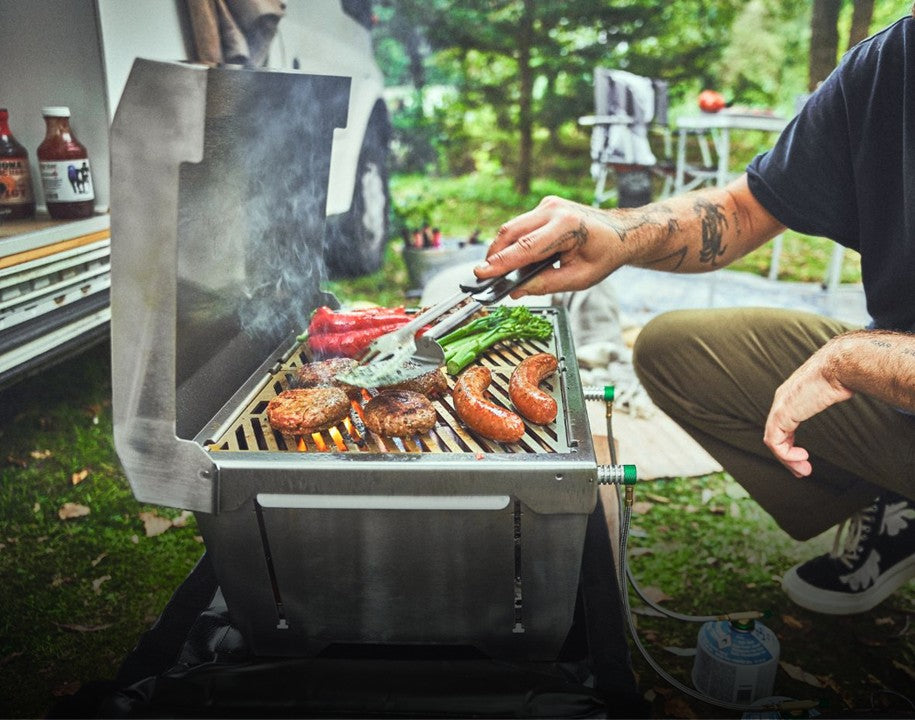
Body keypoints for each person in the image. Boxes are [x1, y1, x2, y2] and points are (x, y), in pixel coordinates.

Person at [474, 10, 915, 616]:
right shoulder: (894, 61)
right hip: (898, 378)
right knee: (673, 351)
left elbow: (862, 359)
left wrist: (856, 359)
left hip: (891, 363)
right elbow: (745, 209)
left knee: (851, 359)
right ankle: (898, 496)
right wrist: (619, 233)